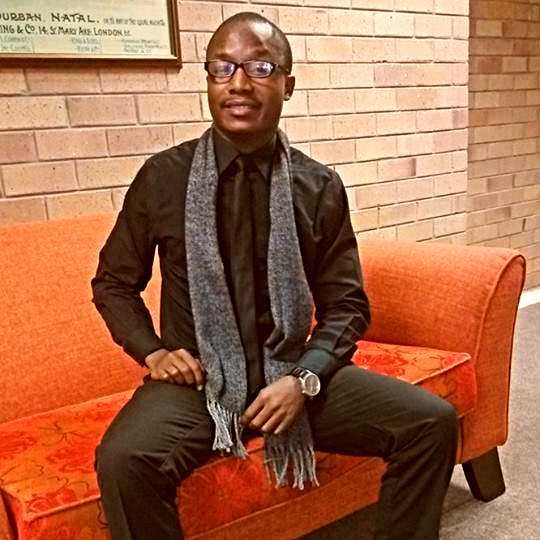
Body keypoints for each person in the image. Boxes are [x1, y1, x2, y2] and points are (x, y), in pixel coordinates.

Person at [92, 12, 458, 540]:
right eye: (223, 68)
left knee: (430, 424)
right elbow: (113, 282)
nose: (239, 83)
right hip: (200, 382)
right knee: (124, 459)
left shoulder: (317, 186)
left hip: (288, 371)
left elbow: (347, 306)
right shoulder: (164, 177)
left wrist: (303, 379)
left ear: (288, 84)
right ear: (208, 80)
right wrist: (152, 352)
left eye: (260, 67)